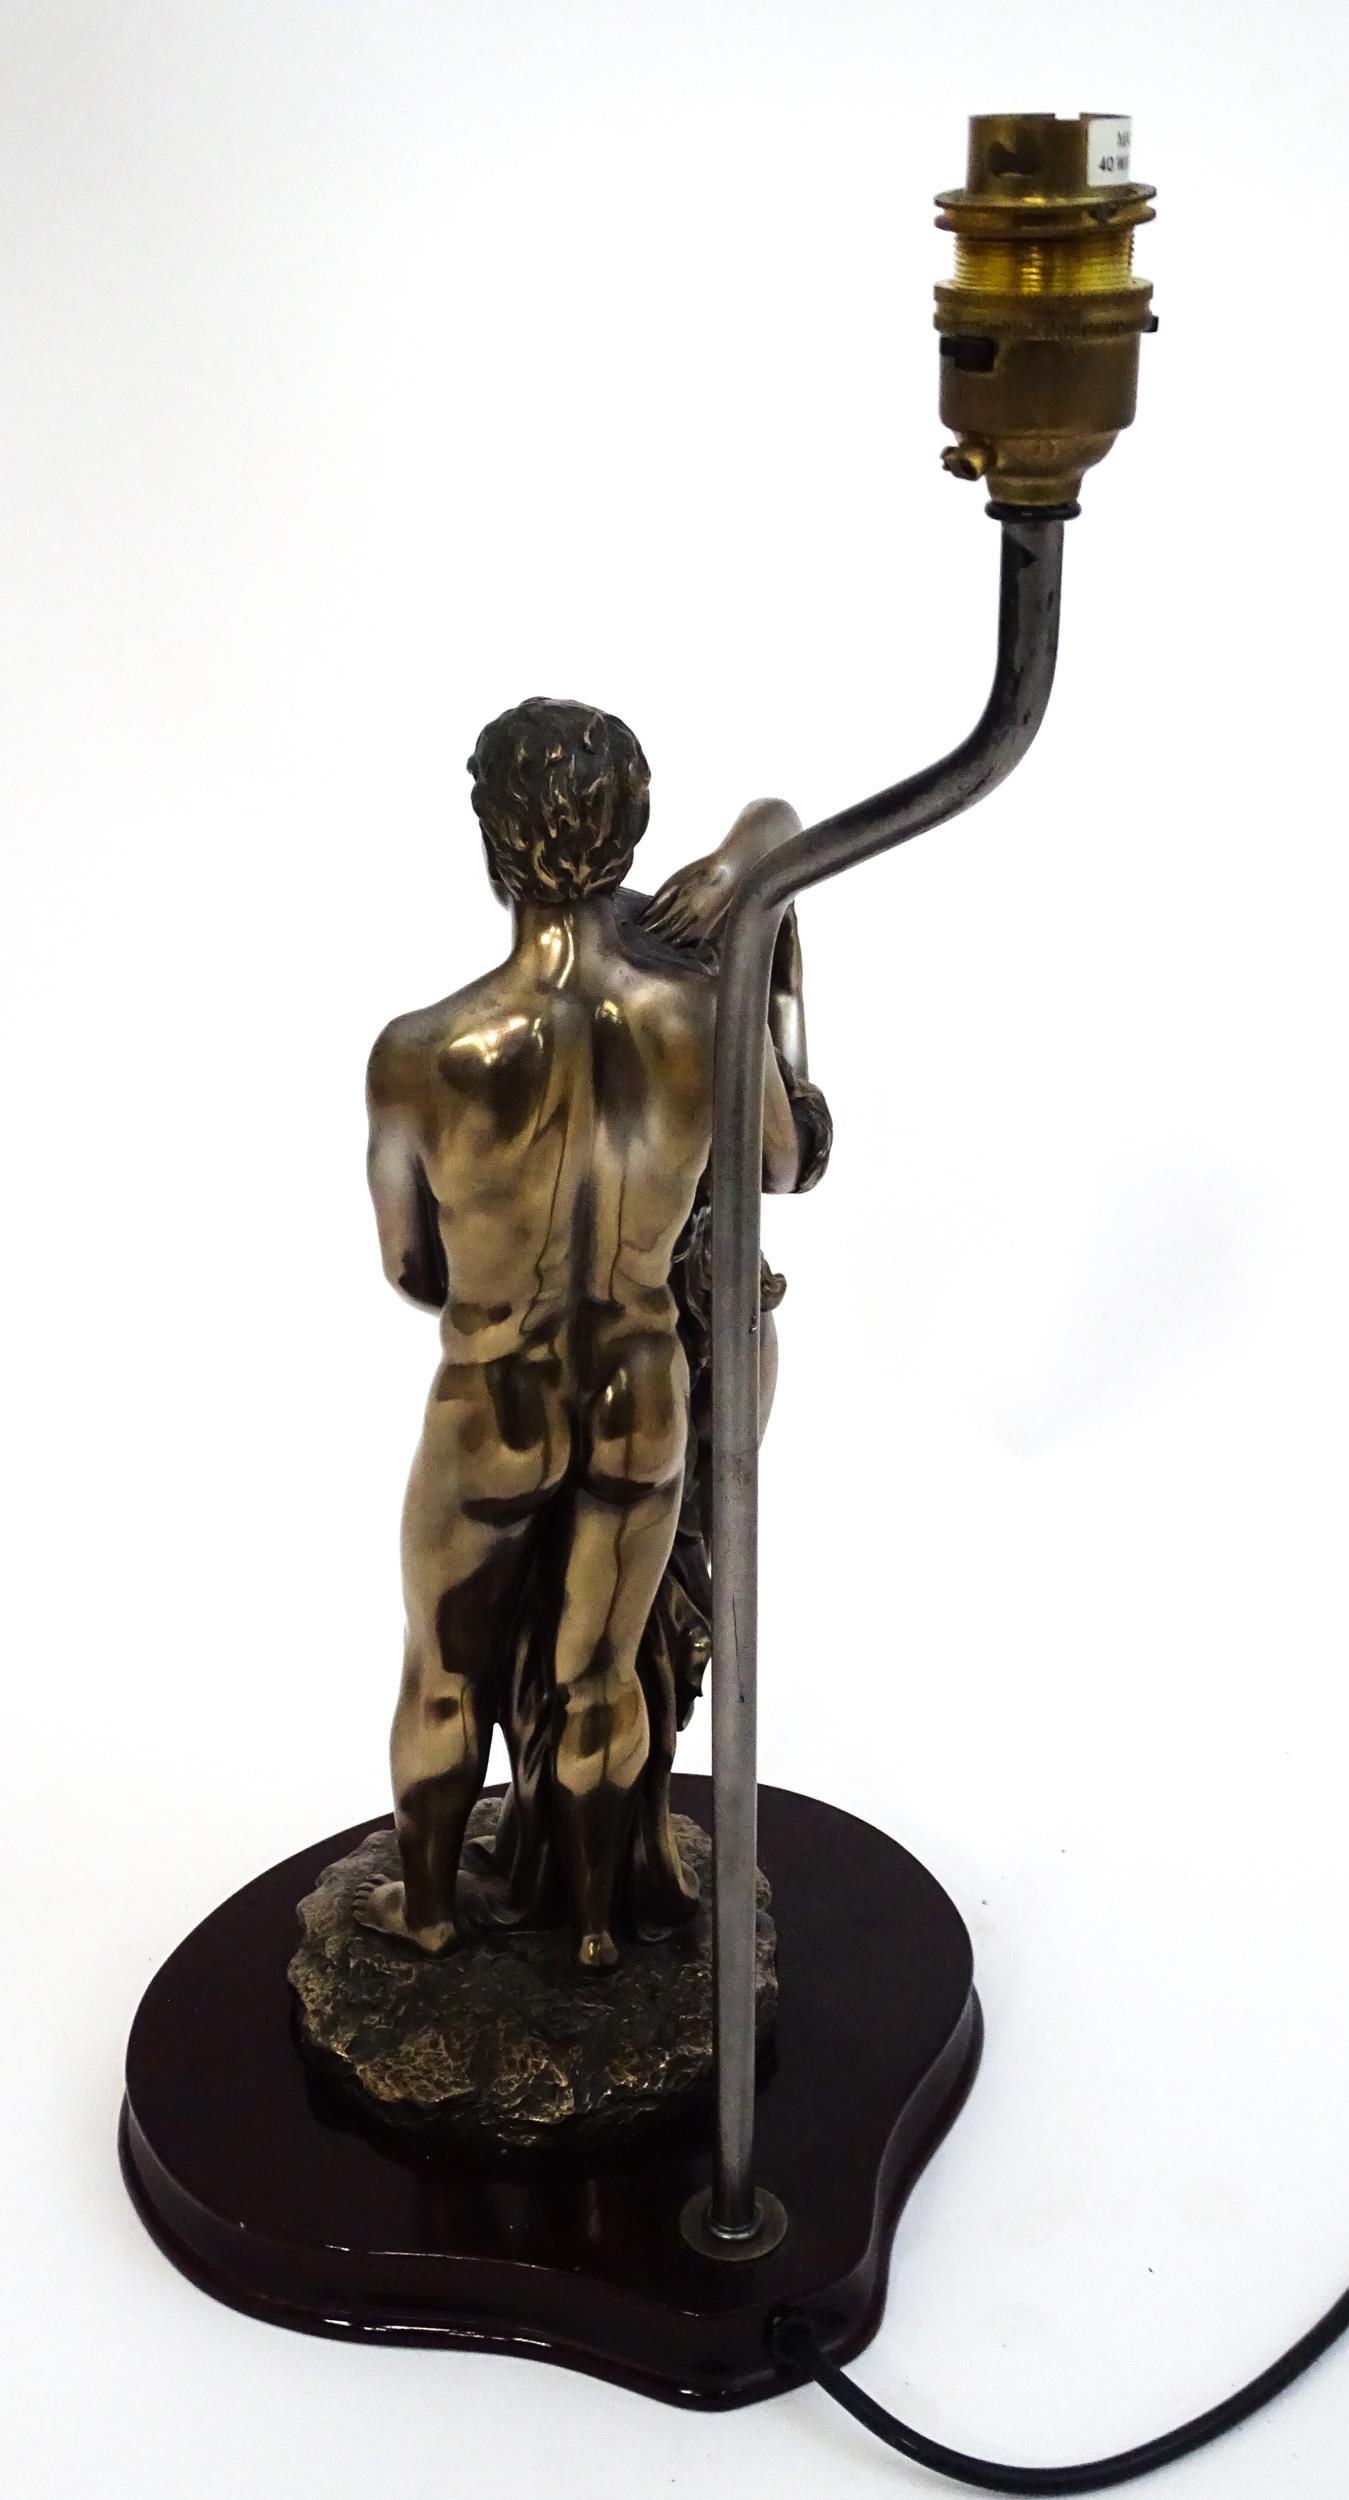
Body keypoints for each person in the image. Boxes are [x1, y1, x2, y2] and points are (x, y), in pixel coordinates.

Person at [358, 697, 828, 1971]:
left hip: (493, 1396)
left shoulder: (419, 1053)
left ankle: (427, 1908)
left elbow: (411, 1270)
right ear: (633, 831)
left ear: (488, 839)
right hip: (639, 1389)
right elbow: (784, 1163)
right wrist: (755, 921)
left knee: (443, 1671)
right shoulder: (703, 1014)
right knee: (601, 1675)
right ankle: (591, 1930)